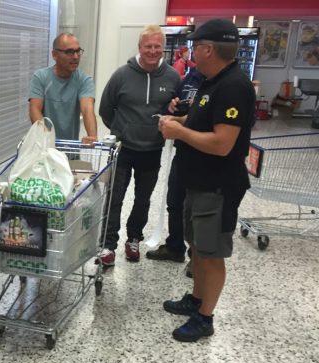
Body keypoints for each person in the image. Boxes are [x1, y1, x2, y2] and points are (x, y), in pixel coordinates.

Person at [158, 19, 256, 342]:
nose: (192, 52)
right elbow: (203, 119)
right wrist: (180, 120)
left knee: (211, 253)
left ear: (209, 49)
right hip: (198, 181)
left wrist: (179, 132)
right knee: (198, 246)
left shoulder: (234, 87)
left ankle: (205, 317)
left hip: (217, 186)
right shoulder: (211, 81)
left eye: (196, 46)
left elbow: (222, 143)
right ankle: (196, 298)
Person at [97, 25, 179, 265]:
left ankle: (134, 238)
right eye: (148, 46)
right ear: (139, 47)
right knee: (114, 198)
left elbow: (176, 109)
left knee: (143, 200)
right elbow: (105, 108)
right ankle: (108, 245)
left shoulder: (172, 77)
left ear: (163, 48)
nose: (152, 51)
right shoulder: (122, 75)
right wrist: (122, 130)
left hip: (152, 150)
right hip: (123, 149)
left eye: (157, 46)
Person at [146, 67, 205, 278]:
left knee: (195, 209)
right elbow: (175, 107)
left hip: (205, 156)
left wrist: (195, 111)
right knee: (175, 201)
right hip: (183, 151)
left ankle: (197, 257)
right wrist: (173, 107)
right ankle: (175, 246)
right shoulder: (191, 77)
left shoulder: (223, 84)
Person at [29, 33, 97, 153]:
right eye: (69, 52)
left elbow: (87, 109)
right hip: (44, 150)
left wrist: (92, 136)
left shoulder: (84, 80)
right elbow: (35, 110)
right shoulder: (41, 77)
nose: (75, 56)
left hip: (70, 151)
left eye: (78, 51)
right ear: (54, 55)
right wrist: (49, 138)